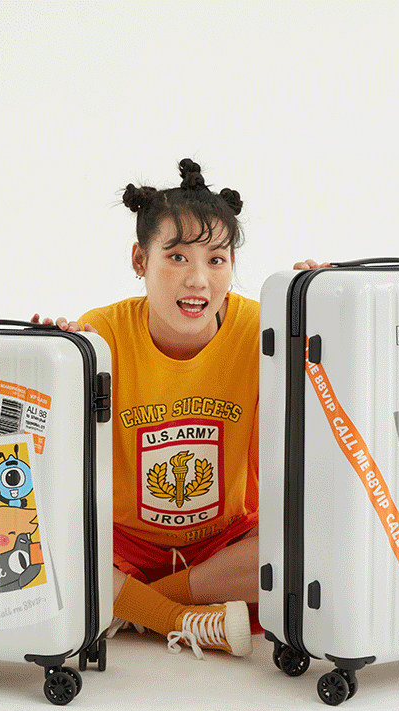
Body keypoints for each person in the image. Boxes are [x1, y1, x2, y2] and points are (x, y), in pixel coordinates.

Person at [33, 158, 328, 659]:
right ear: (139, 260)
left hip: (223, 548)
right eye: (176, 257)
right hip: (122, 546)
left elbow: (327, 402)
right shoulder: (102, 334)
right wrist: (50, 361)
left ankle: (135, 607)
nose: (198, 280)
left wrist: (324, 311)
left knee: (307, 541)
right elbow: (52, 453)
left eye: (216, 260)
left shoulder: (264, 330)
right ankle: (180, 620)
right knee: (49, 545)